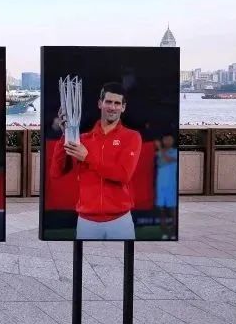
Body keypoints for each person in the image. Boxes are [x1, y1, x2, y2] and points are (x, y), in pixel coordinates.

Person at [50, 82, 142, 240]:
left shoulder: (132, 137)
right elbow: (56, 172)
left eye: (117, 103)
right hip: (87, 222)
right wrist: (65, 135)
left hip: (120, 221)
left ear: (123, 107)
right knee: (83, 256)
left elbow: (123, 175)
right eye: (108, 102)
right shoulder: (82, 139)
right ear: (100, 104)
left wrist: (87, 157)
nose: (112, 107)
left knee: (124, 255)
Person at [155, 134, 178, 236]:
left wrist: (159, 148)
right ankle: (164, 232)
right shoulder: (158, 153)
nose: (167, 141)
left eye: (169, 139)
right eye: (165, 139)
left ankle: (173, 230)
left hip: (171, 185)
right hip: (160, 185)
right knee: (161, 209)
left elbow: (167, 160)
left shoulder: (175, 152)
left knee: (172, 209)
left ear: (172, 141)